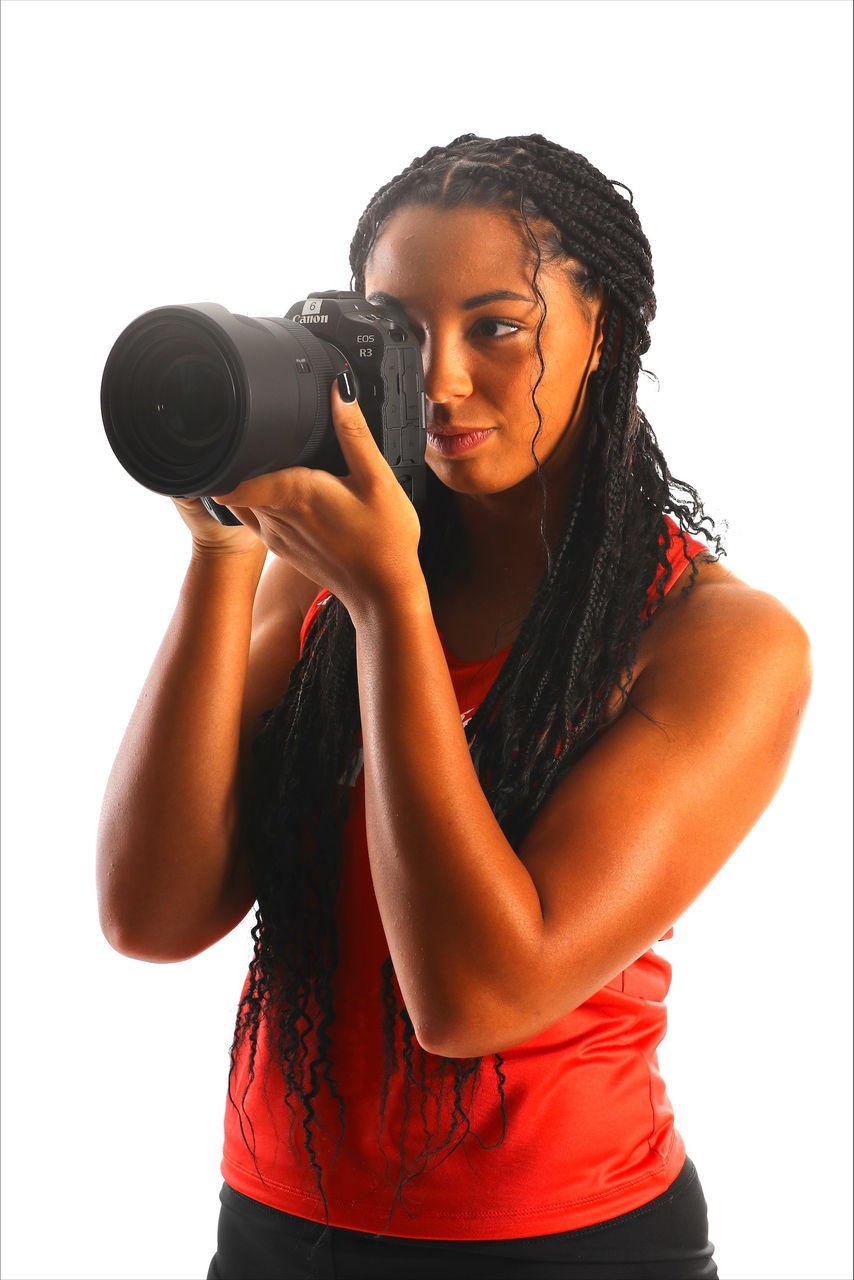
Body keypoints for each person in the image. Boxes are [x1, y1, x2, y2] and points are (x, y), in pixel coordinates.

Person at [97, 134, 811, 1279]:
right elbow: (152, 912)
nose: (439, 380)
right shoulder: (320, 574)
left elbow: (473, 997)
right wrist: (224, 554)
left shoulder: (716, 640)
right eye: (403, 331)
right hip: (278, 1217)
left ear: (604, 334)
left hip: (564, 1241)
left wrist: (386, 603)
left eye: (497, 326)